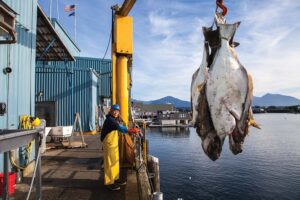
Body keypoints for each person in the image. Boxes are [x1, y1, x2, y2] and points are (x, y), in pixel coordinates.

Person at [100, 104, 139, 191]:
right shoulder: (110, 120)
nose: (115, 112)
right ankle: (109, 183)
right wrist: (132, 130)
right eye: (114, 110)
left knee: (115, 162)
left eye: (117, 111)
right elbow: (120, 128)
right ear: (110, 110)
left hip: (113, 144)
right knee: (110, 163)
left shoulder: (114, 119)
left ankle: (116, 179)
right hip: (109, 144)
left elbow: (120, 124)